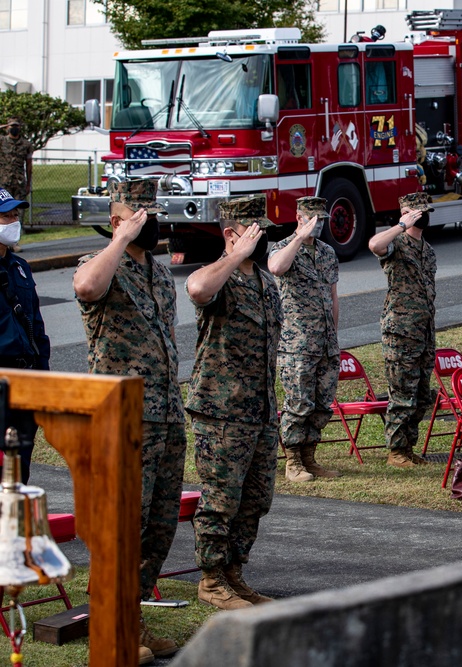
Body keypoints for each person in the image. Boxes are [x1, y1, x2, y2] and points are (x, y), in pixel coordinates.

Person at [72, 178, 181, 660]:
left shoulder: (158, 273)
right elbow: (86, 287)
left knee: (158, 526)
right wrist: (118, 239)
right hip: (123, 419)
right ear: (118, 220)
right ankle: (111, 624)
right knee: (122, 525)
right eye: (140, 214)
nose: (150, 222)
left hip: (165, 414)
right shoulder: (100, 266)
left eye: (154, 213)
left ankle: (131, 617)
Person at [185, 195, 282, 610]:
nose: (261, 240)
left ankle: (233, 574)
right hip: (221, 411)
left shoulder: (265, 283)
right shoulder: (218, 279)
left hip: (259, 410)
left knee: (255, 499)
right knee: (221, 500)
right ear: (232, 233)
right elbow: (197, 288)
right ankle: (210, 580)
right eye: (254, 232)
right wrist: (234, 255)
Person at [267, 196, 341, 482]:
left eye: (321, 219)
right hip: (297, 344)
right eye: (312, 219)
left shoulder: (327, 253)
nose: (317, 225)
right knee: (299, 403)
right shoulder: (284, 248)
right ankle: (293, 461)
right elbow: (276, 268)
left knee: (322, 404)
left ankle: (310, 458)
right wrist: (299, 237)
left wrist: (333, 335)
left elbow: (333, 297)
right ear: (298, 217)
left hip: (324, 343)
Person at [368, 193, 436, 467]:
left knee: (421, 395)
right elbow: (375, 244)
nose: (420, 216)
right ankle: (395, 451)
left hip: (424, 330)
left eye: (423, 211)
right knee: (402, 392)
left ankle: (408, 447)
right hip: (401, 331)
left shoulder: (428, 250)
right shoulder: (396, 242)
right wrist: (401, 224)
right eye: (414, 212)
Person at [0, 188, 47, 483]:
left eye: (16, 214)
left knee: (21, 470)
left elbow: (37, 327)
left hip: (26, 380)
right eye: (6, 215)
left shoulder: (19, 267)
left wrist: (44, 377)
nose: (14, 221)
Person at [0, 119, 32, 202]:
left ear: (20, 127)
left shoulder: (26, 144)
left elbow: (29, 165)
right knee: (5, 209)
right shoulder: (2, 141)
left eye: (16, 126)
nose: (14, 128)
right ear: (7, 127)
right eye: (12, 126)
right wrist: (2, 127)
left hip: (19, 183)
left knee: (19, 210)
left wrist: (28, 184)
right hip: (4, 182)